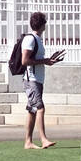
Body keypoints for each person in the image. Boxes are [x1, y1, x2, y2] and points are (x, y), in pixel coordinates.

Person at [21, 11, 65, 151]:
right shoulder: (30, 39)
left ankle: (28, 142)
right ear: (42, 25)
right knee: (40, 108)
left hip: (37, 79)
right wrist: (44, 61)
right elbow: (25, 61)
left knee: (32, 110)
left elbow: (35, 60)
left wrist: (48, 60)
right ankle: (43, 139)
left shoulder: (37, 39)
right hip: (31, 79)